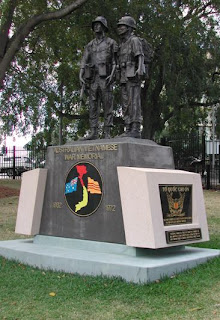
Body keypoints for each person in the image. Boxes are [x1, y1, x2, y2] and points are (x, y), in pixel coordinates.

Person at [79, 16, 118, 140]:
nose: (96, 26)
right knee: (93, 105)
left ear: (104, 27)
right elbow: (84, 60)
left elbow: (115, 62)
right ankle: (93, 131)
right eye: (94, 25)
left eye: (99, 24)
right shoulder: (90, 45)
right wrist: (81, 73)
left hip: (105, 78)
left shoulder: (111, 43)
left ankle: (107, 132)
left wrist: (112, 74)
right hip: (93, 79)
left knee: (107, 104)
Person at [117, 15, 144, 138]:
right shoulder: (122, 44)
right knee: (125, 103)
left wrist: (140, 68)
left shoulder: (134, 40)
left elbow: (140, 55)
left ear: (129, 27)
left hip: (132, 74)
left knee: (134, 101)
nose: (120, 28)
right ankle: (128, 126)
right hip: (123, 75)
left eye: (122, 26)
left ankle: (135, 128)